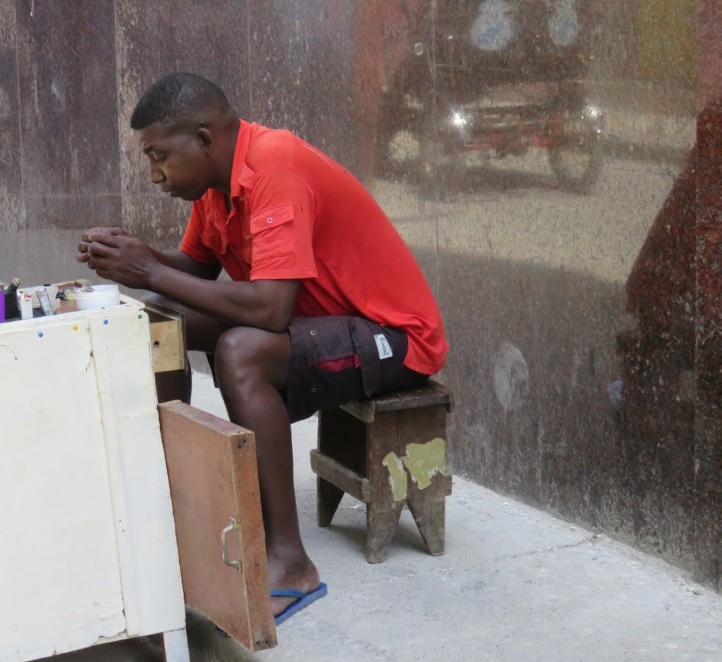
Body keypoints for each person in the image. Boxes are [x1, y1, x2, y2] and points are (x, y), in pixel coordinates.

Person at [77, 72, 448, 624]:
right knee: (158, 315)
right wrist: (137, 260)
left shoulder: (276, 166)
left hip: (395, 337)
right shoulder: (215, 188)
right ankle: (167, 501)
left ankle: (291, 562)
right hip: (324, 325)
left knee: (241, 351)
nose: (153, 175)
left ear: (204, 140)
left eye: (159, 157)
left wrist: (150, 268)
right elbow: (195, 272)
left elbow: (270, 310)